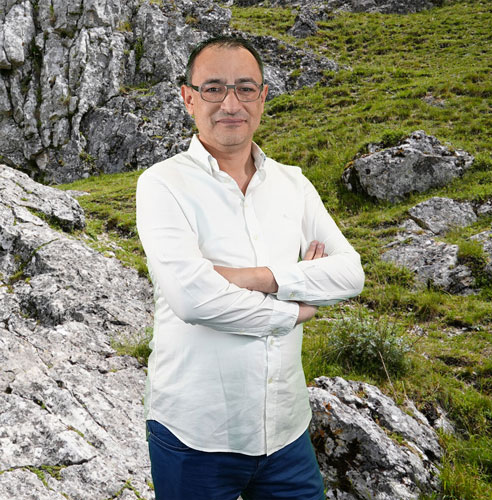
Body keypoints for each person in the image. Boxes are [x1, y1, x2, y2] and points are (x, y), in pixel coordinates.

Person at [136, 36, 364, 500]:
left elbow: (350, 274)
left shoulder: (293, 184)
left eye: (244, 88)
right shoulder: (162, 184)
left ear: (262, 96)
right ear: (188, 97)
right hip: (194, 436)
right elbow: (194, 300)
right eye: (214, 88)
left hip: (285, 431)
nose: (230, 103)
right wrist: (297, 308)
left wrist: (255, 278)